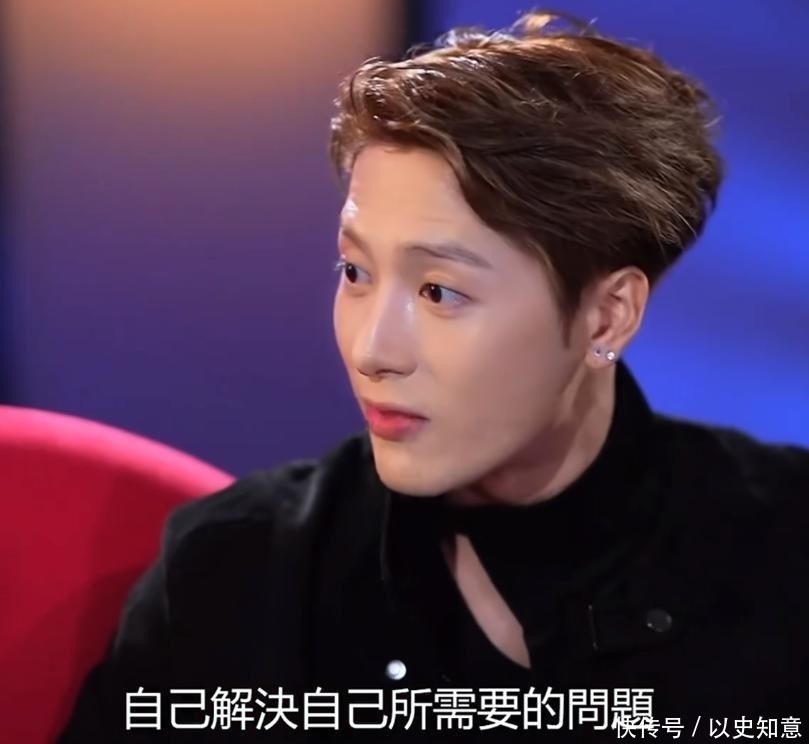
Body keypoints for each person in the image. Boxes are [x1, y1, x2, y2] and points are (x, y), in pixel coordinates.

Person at [57, 10, 808, 743]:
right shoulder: (238, 571)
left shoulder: (783, 549)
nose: (372, 350)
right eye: (355, 272)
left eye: (439, 291)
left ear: (607, 316)